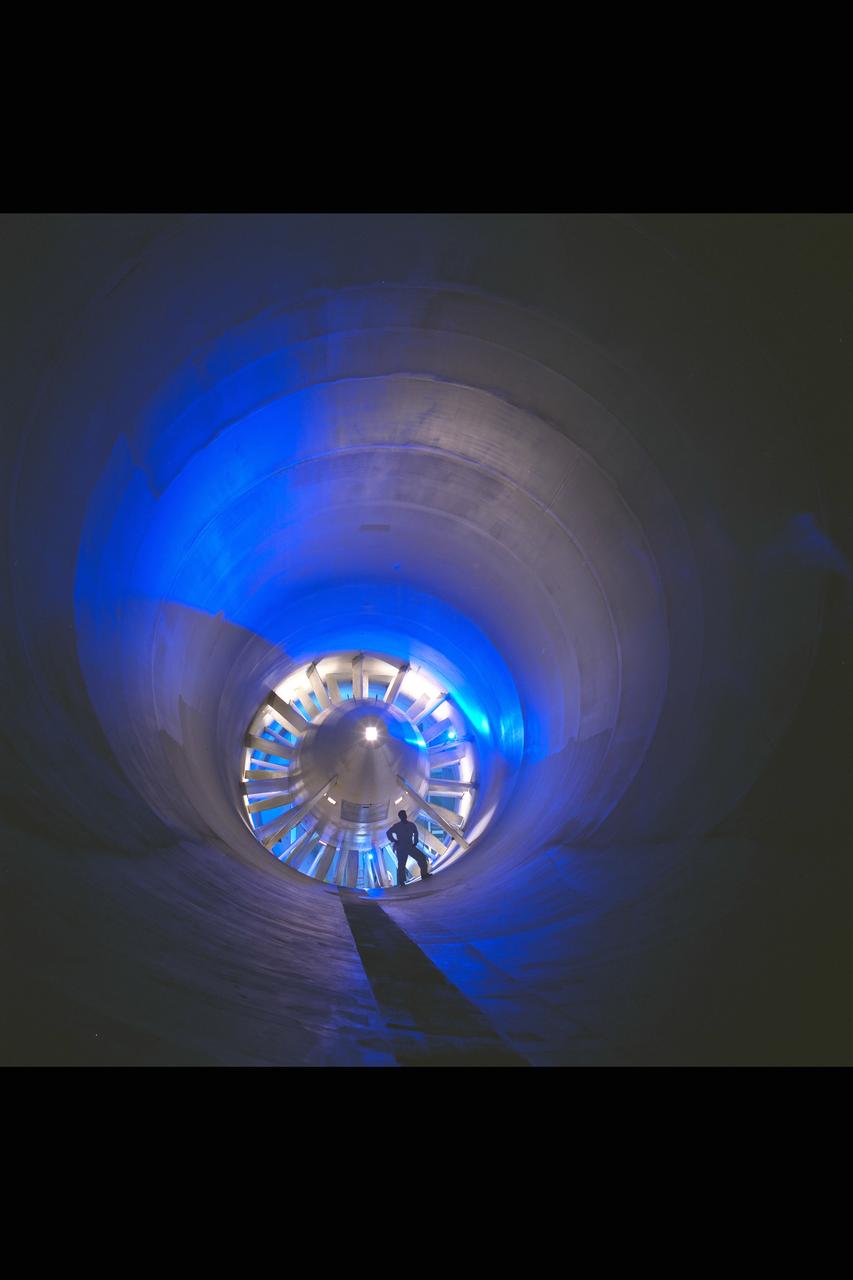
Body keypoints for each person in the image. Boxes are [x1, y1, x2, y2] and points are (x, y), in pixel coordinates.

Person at [386, 809, 431, 886]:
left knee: (421, 858)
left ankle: (423, 875)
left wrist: (415, 842)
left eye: (404, 814)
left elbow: (415, 832)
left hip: (407, 846)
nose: (404, 816)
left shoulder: (408, 825)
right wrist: (394, 841)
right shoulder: (402, 825)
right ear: (400, 817)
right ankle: (402, 882)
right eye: (402, 815)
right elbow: (388, 833)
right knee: (402, 865)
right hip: (403, 847)